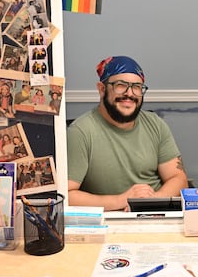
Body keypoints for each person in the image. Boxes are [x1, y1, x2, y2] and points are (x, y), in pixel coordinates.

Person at [67, 55, 188, 211]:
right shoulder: (81, 132)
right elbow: (67, 195)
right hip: (110, 221)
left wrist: (151, 203)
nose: (129, 94)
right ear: (102, 89)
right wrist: (121, 200)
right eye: (120, 85)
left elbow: (178, 178)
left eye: (137, 87)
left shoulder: (156, 124)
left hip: (156, 215)